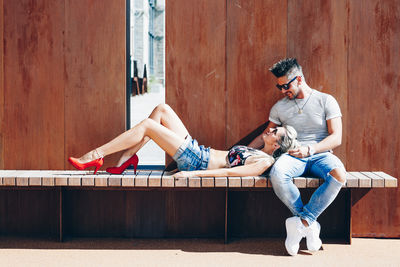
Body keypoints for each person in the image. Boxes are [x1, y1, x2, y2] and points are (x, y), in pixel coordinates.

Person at [249, 58, 347, 256]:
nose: (283, 90)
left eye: (286, 85)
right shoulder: (279, 108)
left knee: (339, 174)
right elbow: (264, 135)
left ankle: (301, 222)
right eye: (279, 87)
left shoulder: (326, 100)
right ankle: (309, 224)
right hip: (292, 155)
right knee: (277, 173)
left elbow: (336, 137)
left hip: (320, 154)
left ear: (299, 79)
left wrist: (310, 149)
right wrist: (243, 152)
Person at [68, 103, 298, 178]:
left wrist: (191, 174)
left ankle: (95, 155)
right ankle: (125, 161)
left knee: (149, 126)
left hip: (196, 162)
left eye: (274, 133)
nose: (270, 131)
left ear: (276, 145)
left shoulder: (264, 162)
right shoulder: (258, 149)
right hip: (198, 151)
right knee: (162, 109)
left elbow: (228, 173)